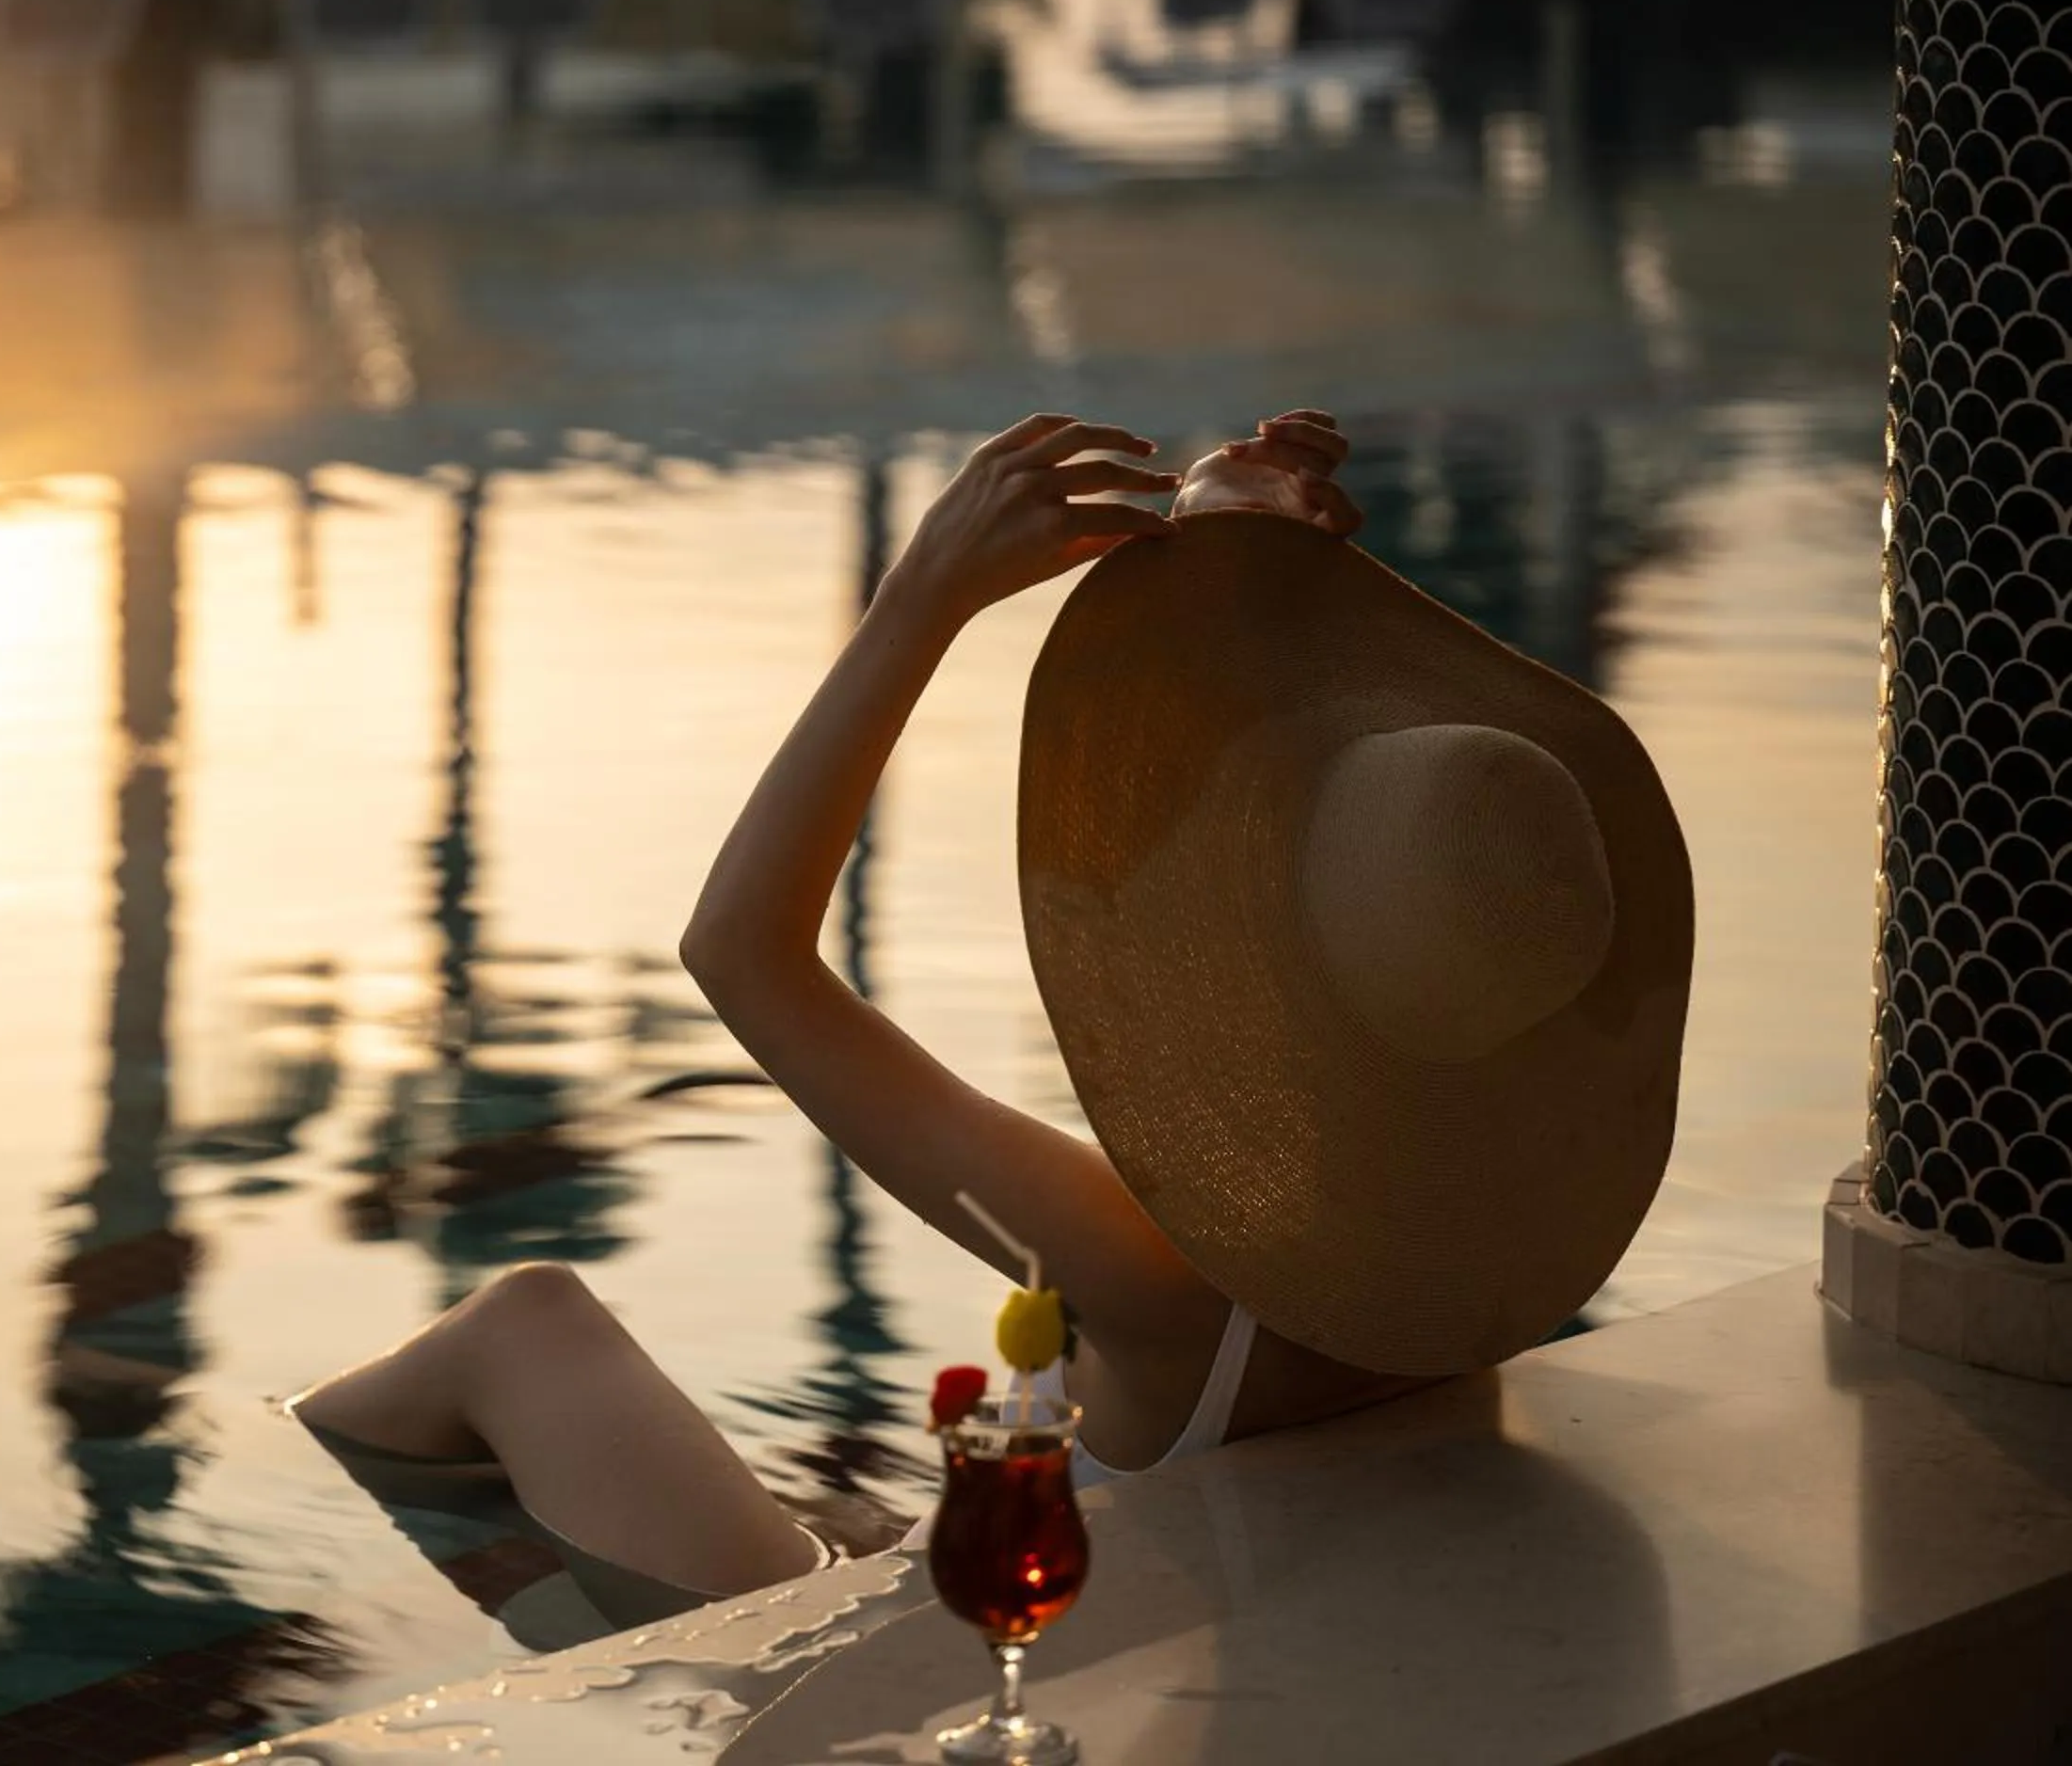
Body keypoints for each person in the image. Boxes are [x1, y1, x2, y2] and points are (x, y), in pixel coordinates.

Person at [290, 409, 1693, 1628]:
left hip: (851, 1703)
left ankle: (270, 1549)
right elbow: (1418, 877)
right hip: (1079, 1609)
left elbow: (741, 953)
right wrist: (1242, 551)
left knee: (522, 1324)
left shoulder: (1154, 1279)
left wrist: (922, 599)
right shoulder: (1491, 1235)